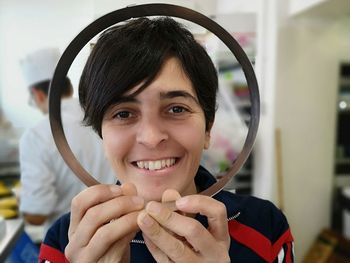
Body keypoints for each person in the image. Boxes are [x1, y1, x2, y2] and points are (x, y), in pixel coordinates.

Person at [39, 18, 294, 262]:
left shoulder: (265, 225)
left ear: (208, 128)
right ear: (102, 134)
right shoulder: (66, 244)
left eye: (176, 109)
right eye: (124, 114)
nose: (151, 138)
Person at [19, 48, 115, 229]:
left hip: (68, 239)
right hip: (120, 228)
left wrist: (23, 203)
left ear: (38, 95)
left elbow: (37, 214)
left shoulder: (37, 136)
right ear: (70, 87)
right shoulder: (105, 117)